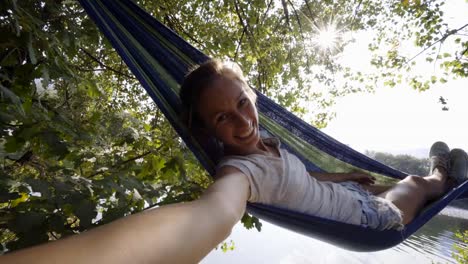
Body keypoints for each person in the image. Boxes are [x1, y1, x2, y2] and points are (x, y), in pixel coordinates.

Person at [2, 59, 467, 264]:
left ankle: (437, 175)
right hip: (370, 221)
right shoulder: (237, 174)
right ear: (207, 131)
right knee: (413, 182)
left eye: (243, 103)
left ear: (252, 95)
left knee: (383, 185)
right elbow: (211, 216)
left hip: (349, 194)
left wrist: (345, 174)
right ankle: (441, 174)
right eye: (223, 118)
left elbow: (299, 180)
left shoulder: (265, 142)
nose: (242, 123)